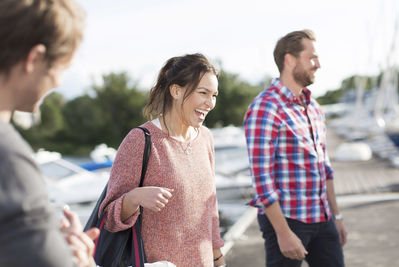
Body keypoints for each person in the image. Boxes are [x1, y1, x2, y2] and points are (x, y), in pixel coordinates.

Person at [99, 53, 226, 267]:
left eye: (214, 95)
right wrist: (134, 197)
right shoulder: (140, 140)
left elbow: (210, 208)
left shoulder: (206, 138)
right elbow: (108, 218)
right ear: (176, 91)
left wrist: (218, 257)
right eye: (203, 93)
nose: (210, 103)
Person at [0, 0, 99, 266]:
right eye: (61, 68)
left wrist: (43, 239)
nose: (58, 82)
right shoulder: (9, 161)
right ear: (35, 58)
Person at [243, 30, 347, 267]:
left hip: (323, 217)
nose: (318, 64)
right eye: (312, 58)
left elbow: (325, 167)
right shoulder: (265, 108)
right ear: (290, 60)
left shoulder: (314, 108)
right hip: (287, 220)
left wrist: (336, 216)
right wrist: (283, 232)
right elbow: (262, 179)